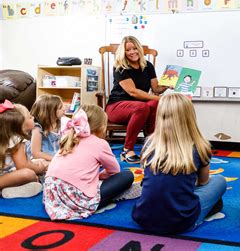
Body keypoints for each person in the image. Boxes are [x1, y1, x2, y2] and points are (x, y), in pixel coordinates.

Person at [133, 93, 226, 234]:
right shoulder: (200, 146)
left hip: (142, 218)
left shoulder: (149, 144)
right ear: (190, 117)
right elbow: (203, 182)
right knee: (220, 181)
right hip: (181, 222)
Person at [43, 105, 133, 220]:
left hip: (52, 194)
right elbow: (114, 171)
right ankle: (91, 203)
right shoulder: (100, 143)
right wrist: (99, 176)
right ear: (101, 127)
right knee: (127, 175)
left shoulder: (68, 138)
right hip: (75, 199)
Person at [106, 36, 168, 163]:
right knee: (143, 106)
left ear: (139, 49)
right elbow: (133, 92)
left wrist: (167, 84)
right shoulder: (120, 67)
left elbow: (156, 89)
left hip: (139, 107)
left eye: (135, 48)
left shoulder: (148, 66)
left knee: (154, 103)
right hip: (117, 106)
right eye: (128, 50)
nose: (132, 52)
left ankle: (152, 145)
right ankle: (127, 150)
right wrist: (160, 98)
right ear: (123, 52)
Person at [0, 100, 48, 199]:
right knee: (29, 174)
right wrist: (41, 168)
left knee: (36, 164)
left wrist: (36, 163)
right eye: (30, 117)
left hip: (4, 174)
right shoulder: (16, 139)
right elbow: (22, 166)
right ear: (21, 124)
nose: (33, 118)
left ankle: (9, 190)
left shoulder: (6, 137)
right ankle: (7, 190)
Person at [26, 94, 67, 162]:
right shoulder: (37, 128)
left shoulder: (61, 122)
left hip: (56, 155)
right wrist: (56, 160)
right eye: (60, 108)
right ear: (50, 112)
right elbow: (36, 154)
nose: (64, 109)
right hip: (42, 158)